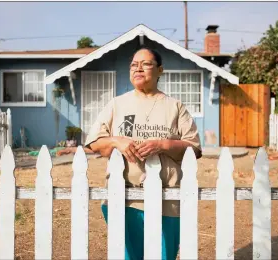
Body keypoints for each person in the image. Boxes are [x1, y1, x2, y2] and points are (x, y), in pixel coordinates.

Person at [85, 46, 202, 260]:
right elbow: (94, 143)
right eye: (133, 65)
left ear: (160, 71)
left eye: (146, 64)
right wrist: (116, 141)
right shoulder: (117, 104)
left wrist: (164, 145)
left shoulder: (175, 107)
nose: (138, 68)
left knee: (162, 255)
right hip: (124, 197)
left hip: (167, 198)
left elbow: (194, 148)